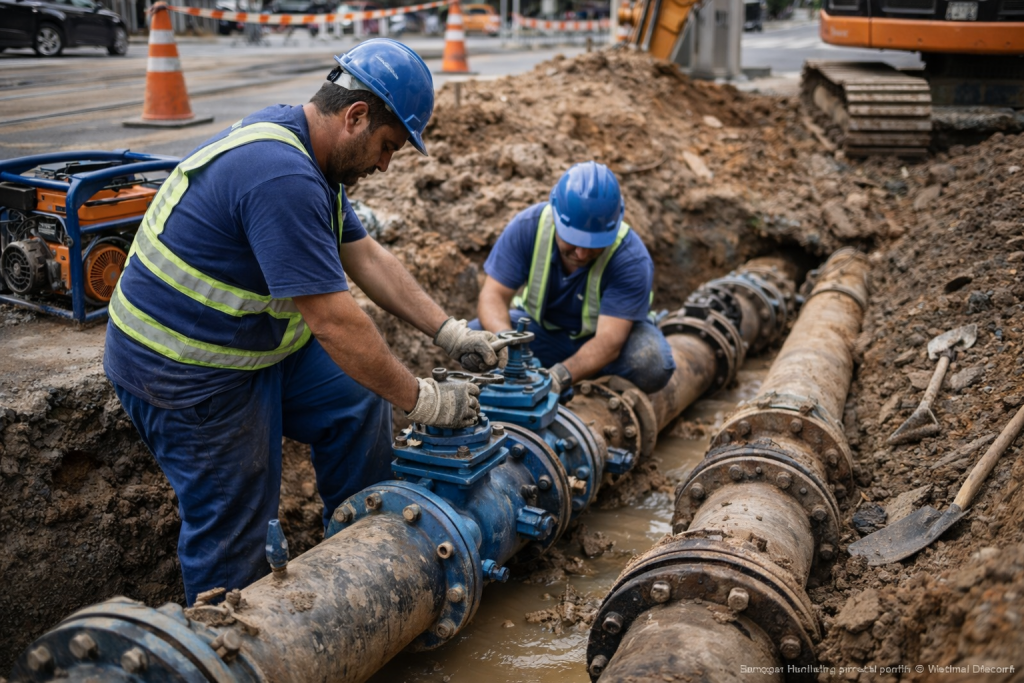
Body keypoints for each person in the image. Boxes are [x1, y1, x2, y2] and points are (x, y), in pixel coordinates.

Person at [104, 39, 505, 605]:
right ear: (356, 116)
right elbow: (334, 323)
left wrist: (450, 332)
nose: (385, 165)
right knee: (240, 524)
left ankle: (368, 552)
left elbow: (366, 257)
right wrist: (423, 400)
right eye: (387, 147)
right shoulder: (281, 176)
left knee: (357, 399)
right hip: (184, 369)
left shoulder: (312, 157)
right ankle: (230, 636)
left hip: (252, 347)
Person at [473, 161, 675, 397]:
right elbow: (493, 295)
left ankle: (594, 384)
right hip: (543, 333)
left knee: (652, 363)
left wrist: (557, 378)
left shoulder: (631, 258)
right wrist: (506, 342)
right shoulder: (527, 227)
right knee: (475, 341)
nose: (581, 254)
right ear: (556, 216)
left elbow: (609, 342)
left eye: (594, 245)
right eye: (573, 240)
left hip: (605, 343)